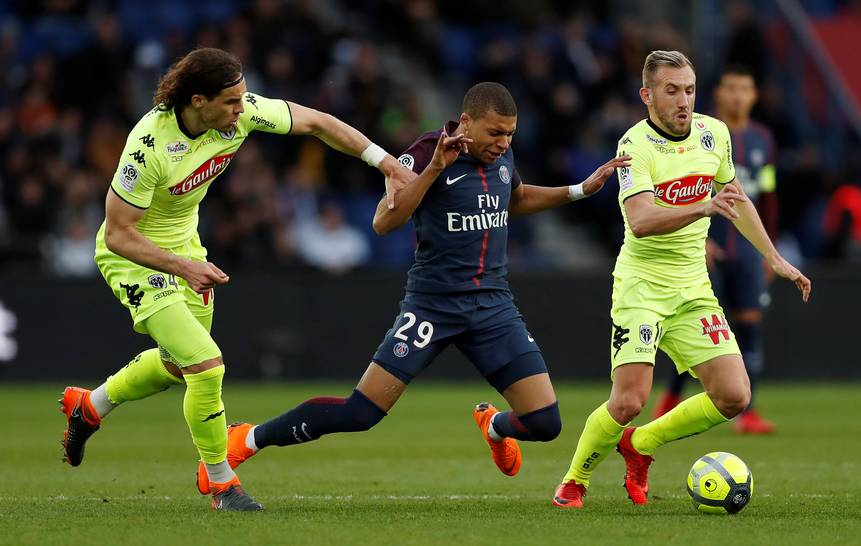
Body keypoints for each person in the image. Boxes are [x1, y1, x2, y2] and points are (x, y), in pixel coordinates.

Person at [194, 82, 631, 493]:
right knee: (360, 413)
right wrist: (434, 170)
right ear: (467, 121)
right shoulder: (426, 152)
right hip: (432, 307)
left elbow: (513, 200)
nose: (504, 143)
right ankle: (248, 438)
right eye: (496, 132)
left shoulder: (502, 158)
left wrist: (578, 190)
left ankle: (495, 426)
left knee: (545, 423)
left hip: (493, 306)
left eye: (511, 134)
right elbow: (384, 221)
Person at [57, 47, 414, 511]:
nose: (242, 110)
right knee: (206, 364)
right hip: (136, 257)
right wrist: (183, 267)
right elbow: (120, 234)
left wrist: (385, 162)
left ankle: (91, 406)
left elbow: (320, 123)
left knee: (175, 365)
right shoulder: (147, 145)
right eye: (231, 102)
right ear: (198, 100)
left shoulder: (238, 114)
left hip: (186, 246)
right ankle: (222, 484)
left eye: (243, 99)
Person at [552, 51, 811, 509]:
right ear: (647, 96)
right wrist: (702, 207)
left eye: (689, 89)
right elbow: (641, 220)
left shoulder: (715, 135)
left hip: (694, 289)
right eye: (671, 91)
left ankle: (640, 445)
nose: (683, 100)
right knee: (629, 401)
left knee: (734, 395)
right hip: (642, 288)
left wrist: (775, 258)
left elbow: (738, 200)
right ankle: (575, 480)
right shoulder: (634, 147)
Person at [651, 65, 780, 434]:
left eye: (745, 88)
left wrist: (768, 248)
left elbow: (767, 196)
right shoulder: (699, 133)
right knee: (697, 328)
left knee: (750, 325)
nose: (738, 95)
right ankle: (670, 400)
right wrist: (696, 234)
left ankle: (749, 411)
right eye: (731, 88)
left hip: (746, 250)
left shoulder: (763, 141)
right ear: (719, 94)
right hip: (703, 247)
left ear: (754, 96)